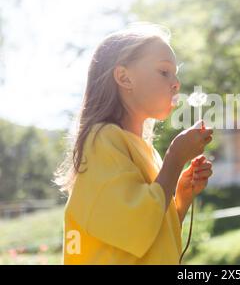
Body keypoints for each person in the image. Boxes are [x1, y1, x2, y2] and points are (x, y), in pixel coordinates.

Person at [54, 23, 213, 264]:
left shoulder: (147, 151)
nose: (176, 82)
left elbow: (153, 238)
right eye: (164, 72)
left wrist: (180, 195)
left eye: (175, 74)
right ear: (124, 77)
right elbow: (134, 228)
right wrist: (175, 158)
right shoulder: (103, 141)